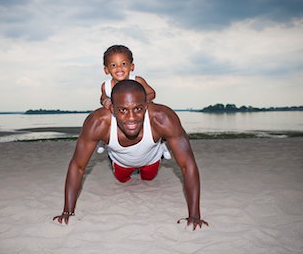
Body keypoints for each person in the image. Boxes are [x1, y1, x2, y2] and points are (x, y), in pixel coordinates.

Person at [54, 80, 208, 230]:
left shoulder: (162, 118)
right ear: (112, 109)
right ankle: (113, 157)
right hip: (121, 163)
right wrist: (68, 211)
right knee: (122, 178)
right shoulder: (98, 122)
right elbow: (78, 166)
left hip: (151, 160)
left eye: (138, 109)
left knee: (148, 176)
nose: (131, 117)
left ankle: (158, 153)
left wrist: (194, 215)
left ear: (146, 106)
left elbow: (188, 165)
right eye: (122, 110)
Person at [97, 45, 171, 160]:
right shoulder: (105, 85)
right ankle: (103, 141)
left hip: (138, 111)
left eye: (124, 64)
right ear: (106, 70)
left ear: (132, 66)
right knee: (104, 117)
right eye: (113, 65)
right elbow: (102, 97)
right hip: (120, 113)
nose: (119, 68)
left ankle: (161, 143)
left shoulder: (137, 80)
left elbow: (152, 93)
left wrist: (141, 101)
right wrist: (105, 101)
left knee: (154, 119)